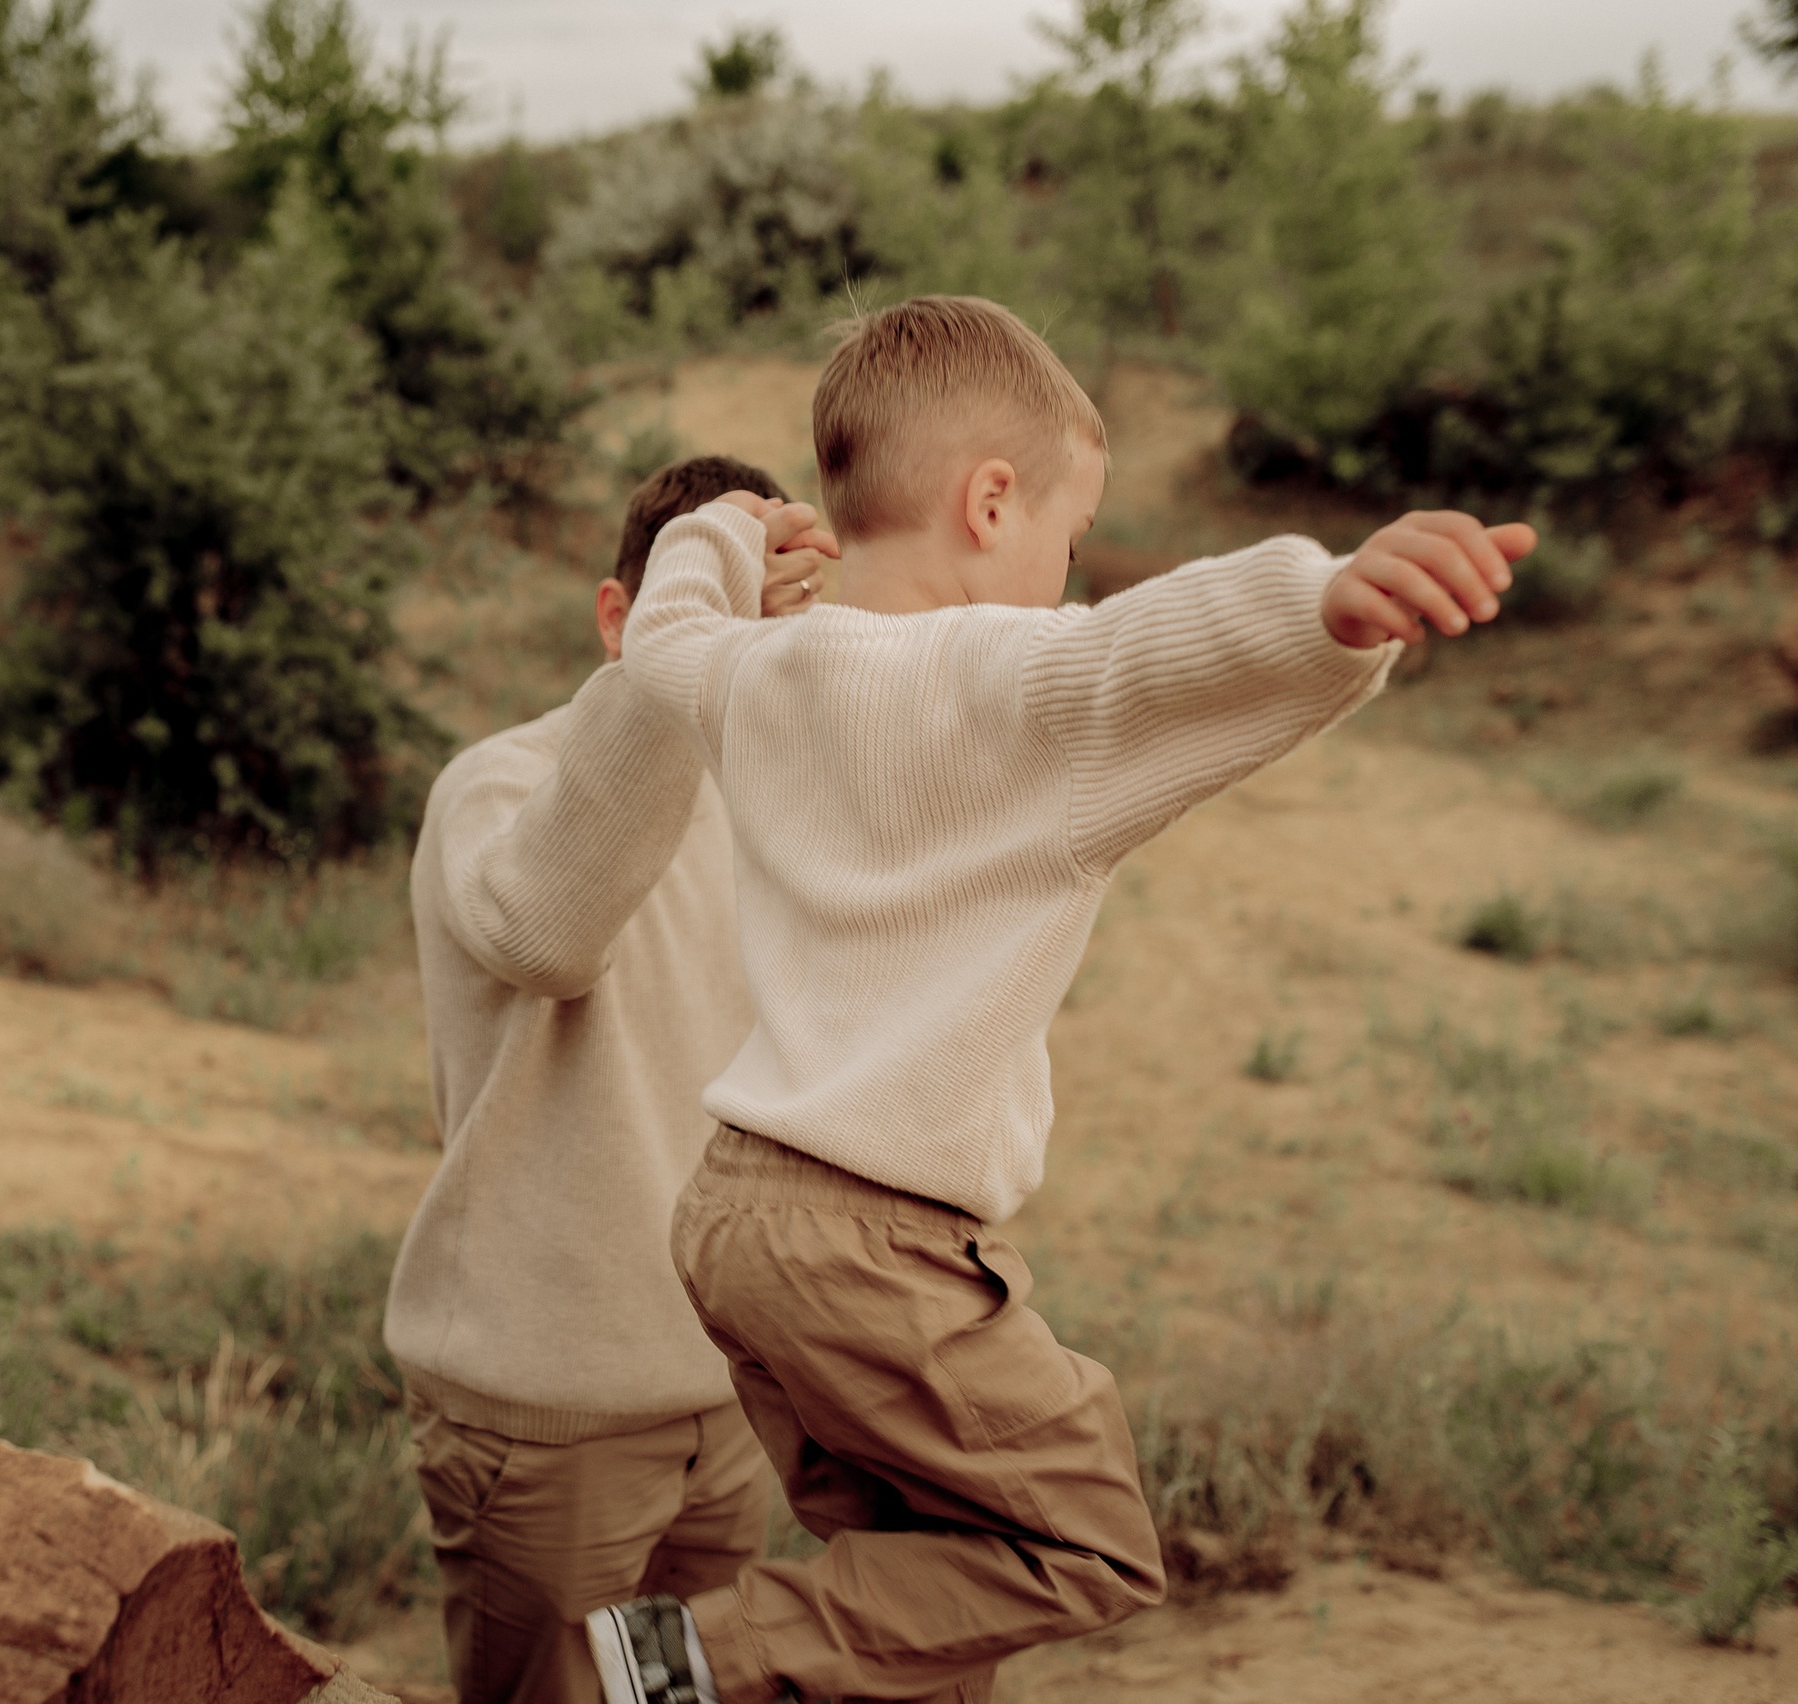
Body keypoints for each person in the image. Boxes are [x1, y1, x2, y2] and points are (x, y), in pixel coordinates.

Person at [595, 296, 1535, 1704]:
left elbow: (667, 633)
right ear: (991, 502)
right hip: (875, 1246)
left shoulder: (752, 670)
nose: (1068, 574)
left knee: (926, 1580)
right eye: (1068, 535)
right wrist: (1325, 603)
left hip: (733, 1216)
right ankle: (670, 1661)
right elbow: (1146, 648)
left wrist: (728, 535)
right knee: (1079, 1537)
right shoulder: (1024, 683)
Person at [384, 455, 840, 1704]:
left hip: (724, 1406)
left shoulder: (772, 810)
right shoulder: (499, 784)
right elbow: (547, 933)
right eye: (702, 617)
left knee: (668, 1703)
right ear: (614, 618)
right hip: (546, 1412)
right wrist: (685, 656)